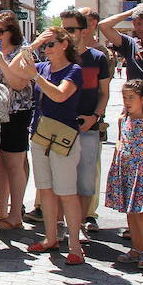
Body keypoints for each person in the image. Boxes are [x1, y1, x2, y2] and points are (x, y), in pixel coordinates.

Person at [25, 26, 86, 264]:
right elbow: (18, 67)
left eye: (51, 44)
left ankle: (75, 246)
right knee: (46, 189)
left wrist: (36, 77)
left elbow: (60, 95)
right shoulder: (41, 67)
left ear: (64, 45)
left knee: (67, 193)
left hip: (63, 137)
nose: (47, 49)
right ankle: (50, 238)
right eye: (45, 45)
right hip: (40, 135)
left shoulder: (74, 70)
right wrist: (33, 45)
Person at [106, 80, 143, 269]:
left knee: (140, 212)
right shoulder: (123, 119)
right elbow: (119, 141)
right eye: (124, 98)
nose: (127, 101)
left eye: (132, 98)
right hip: (125, 169)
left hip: (142, 172)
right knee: (130, 212)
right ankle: (136, 248)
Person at [60, 8, 110, 234]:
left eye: (71, 29)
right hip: (60, 126)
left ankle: (78, 227)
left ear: (83, 30)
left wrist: (95, 117)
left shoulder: (98, 57)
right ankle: (64, 226)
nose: (66, 34)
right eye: (63, 29)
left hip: (87, 126)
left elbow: (104, 93)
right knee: (61, 180)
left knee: (86, 181)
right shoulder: (56, 56)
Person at [0, 12, 33, 230]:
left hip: (16, 114)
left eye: (0, 31)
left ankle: (16, 214)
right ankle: (2, 210)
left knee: (15, 165)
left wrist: (1, 62)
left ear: (11, 32)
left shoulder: (22, 53)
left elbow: (18, 84)